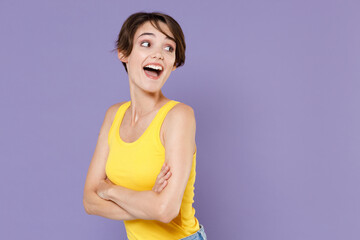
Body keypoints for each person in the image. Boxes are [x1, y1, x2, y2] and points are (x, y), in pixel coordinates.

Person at [83, 12, 207, 240]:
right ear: (124, 53)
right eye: (147, 44)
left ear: (174, 65)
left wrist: (109, 190)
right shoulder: (114, 115)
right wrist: (148, 200)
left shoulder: (179, 116)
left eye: (169, 48)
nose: (159, 54)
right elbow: (90, 202)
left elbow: (165, 210)